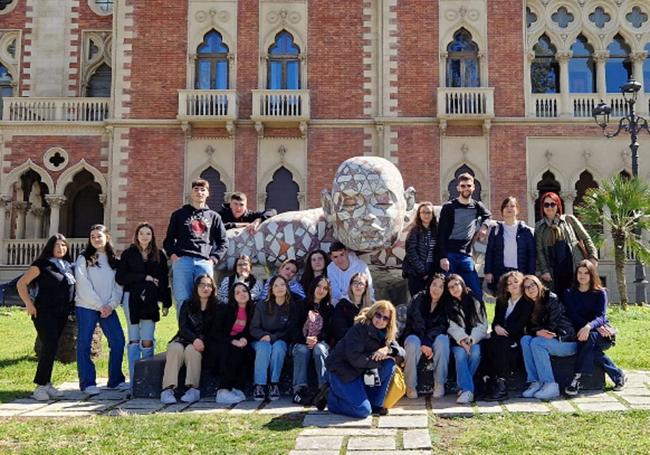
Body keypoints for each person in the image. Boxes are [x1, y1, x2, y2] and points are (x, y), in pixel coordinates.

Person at [17, 234, 76, 401]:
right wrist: (28, 304)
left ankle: (47, 384)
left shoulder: (67, 266)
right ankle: (40, 387)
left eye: (64, 245)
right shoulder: (41, 265)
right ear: (50, 247)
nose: (61, 248)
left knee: (52, 347)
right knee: (49, 345)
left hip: (62, 313)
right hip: (44, 312)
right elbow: (21, 284)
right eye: (57, 245)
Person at [324, 300, 405, 418]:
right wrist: (377, 360)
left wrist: (388, 350)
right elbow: (355, 359)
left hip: (361, 373)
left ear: (389, 322)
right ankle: (332, 400)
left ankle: (376, 404)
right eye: (378, 315)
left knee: (389, 364)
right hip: (343, 372)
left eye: (385, 318)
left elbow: (402, 353)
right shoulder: (360, 328)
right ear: (373, 313)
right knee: (363, 411)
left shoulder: (385, 333)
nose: (381, 320)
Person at [116, 222, 172, 388]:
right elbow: (121, 277)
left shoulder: (159, 255)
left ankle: (147, 380)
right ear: (137, 235)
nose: (145, 237)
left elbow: (163, 280)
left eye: (148, 233)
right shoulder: (128, 254)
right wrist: (144, 277)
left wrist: (166, 302)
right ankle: (134, 381)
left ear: (152, 236)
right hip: (131, 298)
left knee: (147, 338)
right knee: (133, 338)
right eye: (142, 233)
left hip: (150, 300)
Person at [74, 224, 126, 395]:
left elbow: (118, 286)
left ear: (107, 237)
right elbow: (83, 285)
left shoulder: (114, 261)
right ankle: (88, 382)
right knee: (84, 343)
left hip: (108, 309)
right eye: (93, 236)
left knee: (118, 341)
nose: (96, 239)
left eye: (99, 236)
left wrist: (110, 305)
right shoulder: (84, 258)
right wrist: (99, 305)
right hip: (87, 307)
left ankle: (115, 379)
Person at [163, 178, 227, 312]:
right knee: (182, 299)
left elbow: (223, 242)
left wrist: (213, 259)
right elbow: (168, 240)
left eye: (203, 190)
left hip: (204, 262)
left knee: (206, 298)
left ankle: (203, 331)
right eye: (196, 189)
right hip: (182, 261)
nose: (199, 192)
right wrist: (174, 256)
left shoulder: (214, 217)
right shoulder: (179, 214)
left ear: (208, 193)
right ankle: (184, 331)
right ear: (191, 193)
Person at [563, 260, 625, 396]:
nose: (582, 276)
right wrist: (588, 327)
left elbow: (602, 317)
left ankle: (577, 378)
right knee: (591, 347)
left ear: (592, 275)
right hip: (580, 333)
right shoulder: (569, 293)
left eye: (586, 273)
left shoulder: (600, 293)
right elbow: (572, 316)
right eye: (580, 272)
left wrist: (590, 326)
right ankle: (617, 375)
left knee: (589, 339)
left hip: (602, 334)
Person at [160, 275, 218, 404]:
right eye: (202, 285)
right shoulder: (187, 304)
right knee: (175, 348)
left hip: (204, 343)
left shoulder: (217, 306)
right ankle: (168, 390)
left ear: (213, 288)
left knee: (192, 351)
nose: (205, 288)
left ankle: (193, 389)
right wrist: (194, 339)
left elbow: (216, 330)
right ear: (196, 287)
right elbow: (183, 327)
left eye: (209, 285)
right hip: (185, 338)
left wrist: (201, 341)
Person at [520, 275, 576, 400]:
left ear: (539, 284)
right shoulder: (529, 303)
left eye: (532, 285)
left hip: (565, 340)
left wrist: (537, 332)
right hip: (549, 340)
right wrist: (537, 332)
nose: (530, 289)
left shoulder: (550, 299)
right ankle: (535, 382)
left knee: (536, 343)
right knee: (525, 340)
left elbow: (551, 327)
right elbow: (528, 328)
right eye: (526, 287)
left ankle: (550, 385)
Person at [437, 173, 491, 301]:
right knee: (448, 293)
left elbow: (487, 216)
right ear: (458, 188)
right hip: (449, 255)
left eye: (468, 186)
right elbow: (441, 234)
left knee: (476, 293)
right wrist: (443, 256)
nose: (466, 188)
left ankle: (479, 321)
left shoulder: (477, 205)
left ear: (473, 188)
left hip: (466, 256)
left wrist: (484, 228)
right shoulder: (449, 207)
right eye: (463, 186)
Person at [535, 192, 598, 301]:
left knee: (577, 297)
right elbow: (539, 251)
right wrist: (544, 270)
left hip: (573, 265)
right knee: (558, 298)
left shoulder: (569, 220)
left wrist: (593, 257)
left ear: (558, 205)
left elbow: (586, 238)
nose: (549, 207)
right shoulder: (539, 227)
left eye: (552, 204)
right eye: (546, 205)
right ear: (542, 207)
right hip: (553, 270)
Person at [483, 271, 533, 401]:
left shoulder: (527, 302)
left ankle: (502, 385)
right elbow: (495, 322)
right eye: (509, 283)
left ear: (522, 283)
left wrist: (503, 331)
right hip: (500, 337)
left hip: (517, 338)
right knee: (486, 343)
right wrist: (496, 327)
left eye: (516, 282)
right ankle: (488, 382)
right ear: (506, 287)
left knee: (502, 344)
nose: (513, 285)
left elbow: (520, 324)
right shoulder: (502, 301)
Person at [250, 275, 301, 401]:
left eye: (282, 285)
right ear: (271, 289)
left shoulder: (292, 306)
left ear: (287, 288)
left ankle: (274, 384)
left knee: (279, 347)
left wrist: (273, 337)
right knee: (264, 347)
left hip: (280, 339)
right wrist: (264, 336)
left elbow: (290, 330)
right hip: (260, 339)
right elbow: (254, 328)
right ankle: (259, 385)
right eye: (276, 285)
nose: (279, 288)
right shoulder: (262, 305)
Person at [401, 273, 449, 400]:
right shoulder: (419, 298)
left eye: (440, 287)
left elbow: (442, 326)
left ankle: (439, 383)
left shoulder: (446, 304)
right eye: (434, 285)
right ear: (429, 285)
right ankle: (410, 385)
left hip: (433, 338)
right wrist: (424, 342)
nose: (436, 289)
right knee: (412, 343)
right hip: (415, 334)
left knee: (443, 341)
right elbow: (416, 322)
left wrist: (428, 341)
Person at [446, 274, 488, 404]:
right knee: (460, 355)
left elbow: (483, 324)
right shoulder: (447, 305)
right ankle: (468, 390)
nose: (454, 288)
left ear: (462, 284)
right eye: (451, 287)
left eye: (456, 284)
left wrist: (470, 339)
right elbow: (450, 326)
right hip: (456, 340)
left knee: (475, 353)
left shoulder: (475, 299)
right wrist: (462, 340)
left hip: (473, 338)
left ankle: (463, 387)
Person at [210, 282, 255, 404]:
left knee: (246, 351)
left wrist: (245, 338)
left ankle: (237, 387)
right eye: (237, 292)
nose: (242, 294)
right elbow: (216, 332)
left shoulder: (252, 310)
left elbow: (252, 330)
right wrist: (232, 340)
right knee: (230, 350)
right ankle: (223, 390)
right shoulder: (225, 309)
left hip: (238, 341)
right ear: (233, 296)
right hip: (220, 342)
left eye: (244, 291)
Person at [292, 276, 333, 402]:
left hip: (320, 342)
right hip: (300, 342)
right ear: (313, 287)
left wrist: (317, 339)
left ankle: (324, 389)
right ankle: (299, 390)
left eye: (325, 288)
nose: (321, 290)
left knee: (319, 350)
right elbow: (292, 328)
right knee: (302, 351)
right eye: (319, 286)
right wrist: (305, 339)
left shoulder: (329, 309)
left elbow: (330, 331)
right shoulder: (300, 305)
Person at [484, 197, 535, 294]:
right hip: (501, 272)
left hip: (520, 272)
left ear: (518, 210)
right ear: (502, 211)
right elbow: (490, 252)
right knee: (502, 301)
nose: (509, 209)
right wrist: (488, 271)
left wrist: (531, 275)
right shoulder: (496, 230)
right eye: (506, 206)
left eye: (512, 206)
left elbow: (531, 255)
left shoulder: (526, 231)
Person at [402, 201, 438, 297]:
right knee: (417, 300)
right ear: (419, 214)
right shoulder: (415, 230)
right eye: (423, 212)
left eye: (429, 212)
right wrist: (422, 271)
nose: (426, 215)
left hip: (431, 272)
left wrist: (431, 272)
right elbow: (411, 252)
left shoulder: (436, 230)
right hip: (415, 273)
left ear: (432, 214)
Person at [330, 273, 373, 347]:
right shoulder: (342, 305)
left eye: (361, 283)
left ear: (366, 287)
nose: (357, 286)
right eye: (355, 282)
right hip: (346, 345)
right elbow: (339, 331)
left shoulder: (372, 307)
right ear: (350, 286)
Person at [327, 242, 375, 306]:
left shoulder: (361, 266)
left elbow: (369, 288)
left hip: (362, 300)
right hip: (342, 303)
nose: (340, 260)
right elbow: (334, 291)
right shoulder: (330, 268)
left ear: (346, 253)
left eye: (342, 255)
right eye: (335, 257)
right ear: (331, 258)